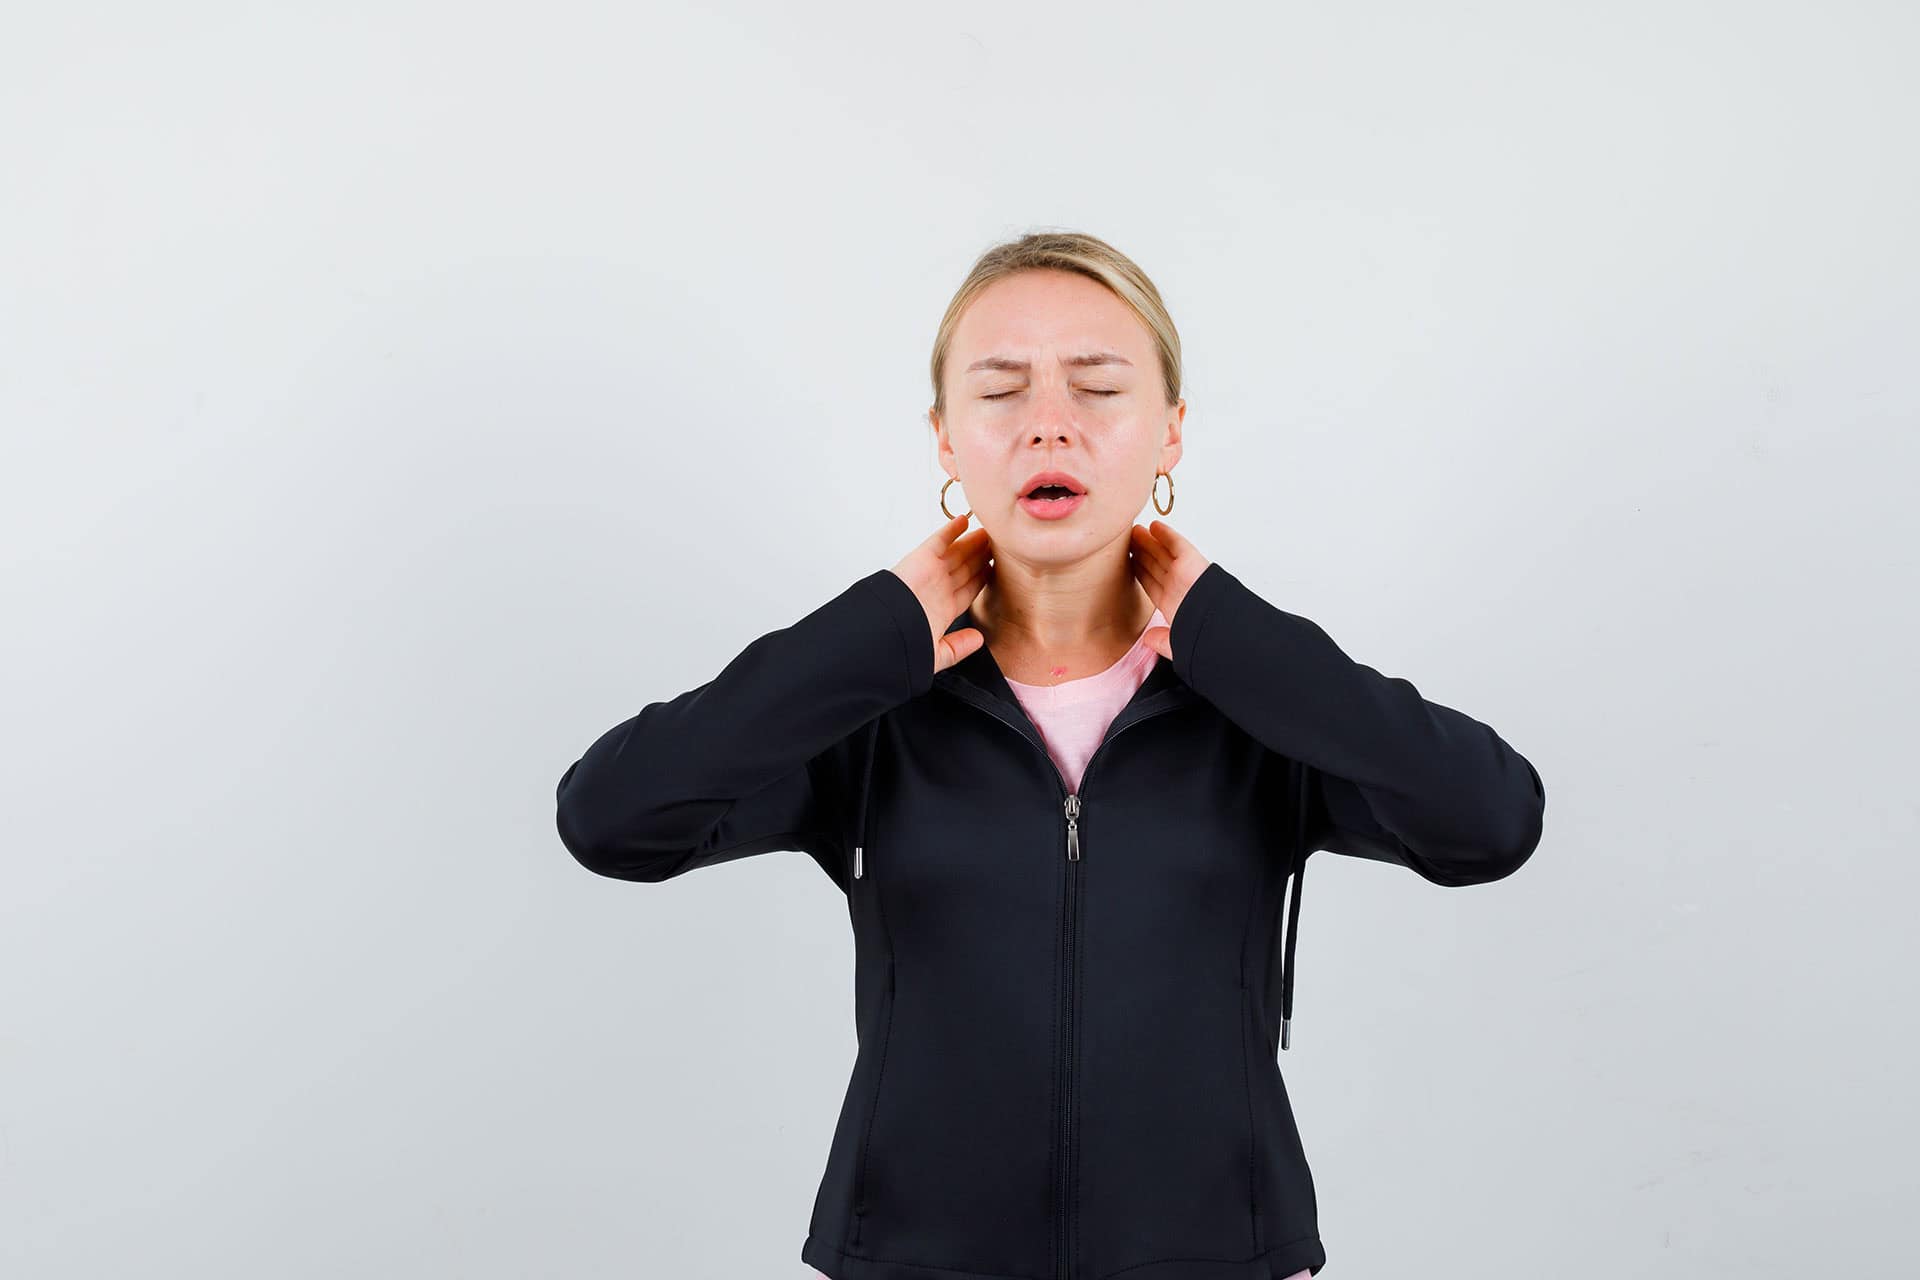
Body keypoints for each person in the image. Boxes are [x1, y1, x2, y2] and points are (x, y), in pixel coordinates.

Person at [555, 231, 1548, 1280]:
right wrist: (865, 636)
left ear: (1170, 432)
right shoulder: (869, 704)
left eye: (1098, 387)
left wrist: (1240, 637)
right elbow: (611, 820)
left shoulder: (1260, 704)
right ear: (946, 439)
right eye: (1000, 390)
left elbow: (1491, 822)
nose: (1048, 423)